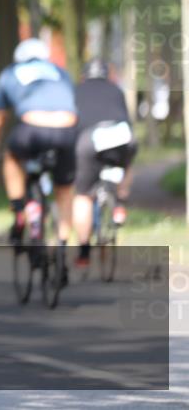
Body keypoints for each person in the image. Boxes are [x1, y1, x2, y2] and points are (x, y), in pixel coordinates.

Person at [0, 38, 78, 271]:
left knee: (12, 158)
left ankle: (19, 210)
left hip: (31, 130)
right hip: (66, 130)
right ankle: (62, 247)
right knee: (65, 192)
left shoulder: (10, 73)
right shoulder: (59, 72)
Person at [72, 58, 137, 270]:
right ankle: (119, 203)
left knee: (82, 195)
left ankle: (83, 251)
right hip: (122, 136)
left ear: (84, 75)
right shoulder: (116, 90)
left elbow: (73, 125)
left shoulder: (76, 90)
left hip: (90, 140)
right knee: (126, 165)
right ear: (107, 74)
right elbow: (126, 119)